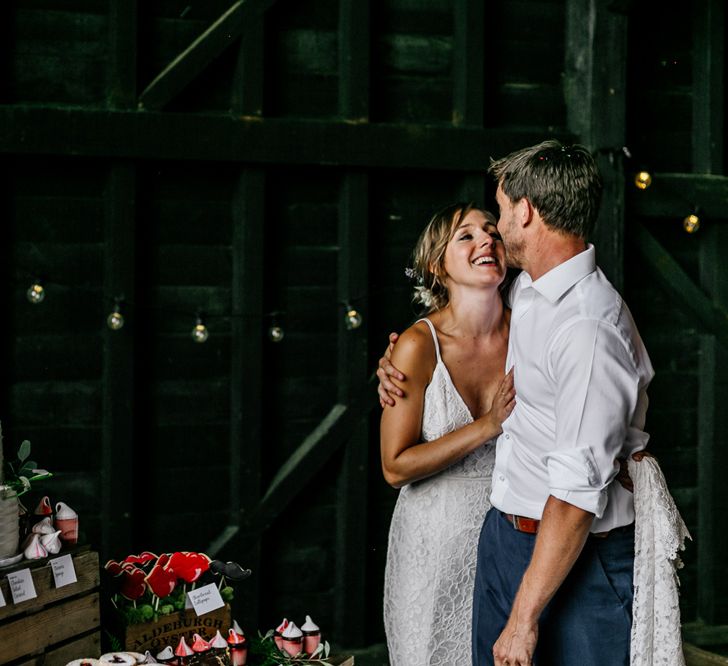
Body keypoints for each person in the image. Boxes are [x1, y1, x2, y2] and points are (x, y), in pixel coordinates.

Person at [378, 139, 655, 666]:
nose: (493, 231)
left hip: (575, 552)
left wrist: (524, 620)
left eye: (499, 213)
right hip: (499, 541)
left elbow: (575, 495)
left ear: (524, 212)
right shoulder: (529, 292)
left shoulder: (585, 329)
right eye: (471, 232)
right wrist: (392, 364)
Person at [380, 202, 515, 666]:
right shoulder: (418, 346)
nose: (486, 241)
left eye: (493, 231)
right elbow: (395, 467)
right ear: (438, 265)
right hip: (432, 551)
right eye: (466, 235)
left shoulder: (531, 330)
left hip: (514, 542)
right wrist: (487, 426)